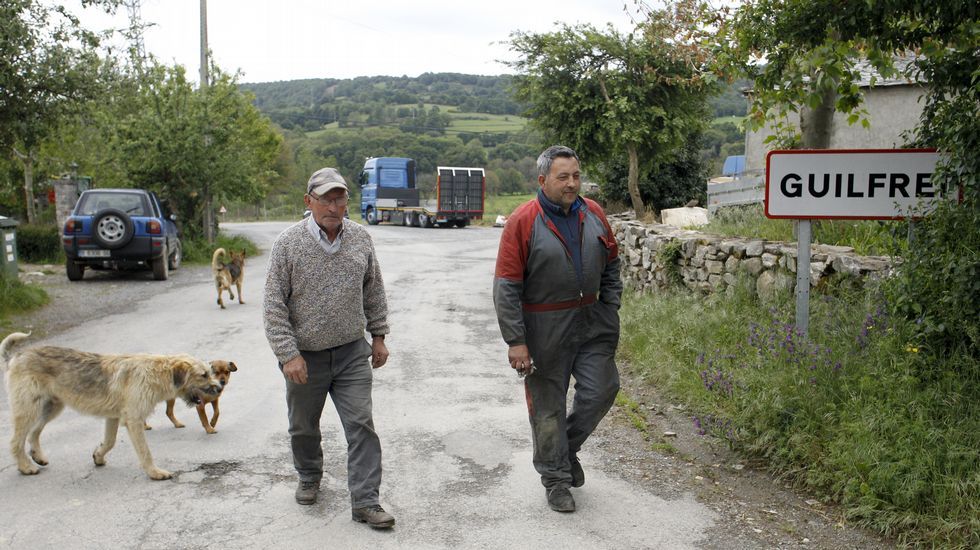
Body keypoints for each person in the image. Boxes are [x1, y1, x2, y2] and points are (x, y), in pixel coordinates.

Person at [492, 145, 623, 513]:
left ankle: (566, 450)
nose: (571, 184)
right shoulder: (523, 220)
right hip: (543, 327)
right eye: (563, 177)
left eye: (576, 176)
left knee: (603, 389)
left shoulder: (593, 213)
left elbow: (612, 263)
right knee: (547, 409)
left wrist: (610, 306)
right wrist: (516, 341)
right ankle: (555, 480)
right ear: (542, 180)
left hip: (592, 322)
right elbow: (506, 286)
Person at [263, 167, 395, 529]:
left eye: (340, 198)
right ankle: (308, 474)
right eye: (326, 199)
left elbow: (374, 290)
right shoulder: (288, 244)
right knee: (303, 427)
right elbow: (274, 305)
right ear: (309, 202)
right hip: (305, 357)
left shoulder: (360, 239)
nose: (334, 206)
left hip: (353, 352)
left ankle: (366, 502)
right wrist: (288, 354)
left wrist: (379, 335)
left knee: (361, 426)